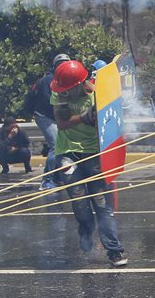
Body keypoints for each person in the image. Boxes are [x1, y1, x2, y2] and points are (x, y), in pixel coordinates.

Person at [51, 60, 128, 267]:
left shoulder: (98, 93)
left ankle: (114, 250)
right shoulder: (58, 94)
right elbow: (62, 123)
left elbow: (111, 122)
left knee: (102, 203)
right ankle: (85, 229)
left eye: (68, 89)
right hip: (67, 153)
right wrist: (84, 116)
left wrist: (100, 115)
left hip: (94, 152)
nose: (64, 93)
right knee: (79, 201)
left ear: (79, 83)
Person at [24, 54, 65, 188]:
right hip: (45, 116)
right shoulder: (49, 80)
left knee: (61, 147)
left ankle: (57, 177)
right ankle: (47, 180)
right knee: (56, 146)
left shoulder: (63, 80)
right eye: (61, 64)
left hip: (54, 116)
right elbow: (49, 102)